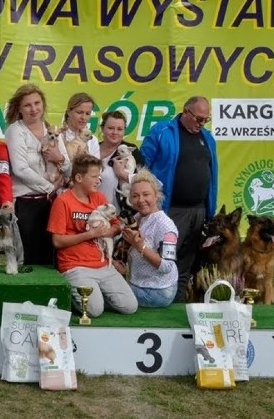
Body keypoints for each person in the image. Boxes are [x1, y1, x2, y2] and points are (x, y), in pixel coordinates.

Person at [140, 96, 218, 302]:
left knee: (187, 261)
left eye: (206, 119)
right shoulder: (162, 131)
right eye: (198, 119)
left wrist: (210, 209)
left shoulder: (208, 138)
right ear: (185, 112)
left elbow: (212, 174)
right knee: (166, 259)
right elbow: (142, 165)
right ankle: (157, 298)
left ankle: (178, 302)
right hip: (171, 208)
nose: (201, 124)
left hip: (198, 210)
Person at [47, 154, 138, 317]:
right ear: (79, 177)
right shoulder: (62, 201)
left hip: (103, 266)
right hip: (75, 267)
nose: (99, 181)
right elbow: (57, 241)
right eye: (94, 177)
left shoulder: (99, 198)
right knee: (94, 310)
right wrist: (91, 234)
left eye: (100, 177)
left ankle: (99, 293)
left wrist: (110, 231)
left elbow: (117, 224)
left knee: (130, 306)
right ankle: (77, 295)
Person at [4, 83, 70, 265]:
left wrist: (60, 159)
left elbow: (69, 169)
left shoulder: (52, 129)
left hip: (53, 204)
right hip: (26, 204)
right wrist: (49, 187)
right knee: (29, 259)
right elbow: (20, 169)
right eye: (28, 105)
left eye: (37, 103)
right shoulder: (15, 131)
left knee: (50, 259)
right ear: (19, 108)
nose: (34, 109)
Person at [118, 170, 179, 307]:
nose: (140, 200)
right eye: (135, 196)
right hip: (139, 283)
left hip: (159, 291)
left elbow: (166, 266)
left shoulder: (166, 226)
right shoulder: (138, 218)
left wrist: (139, 246)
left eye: (146, 195)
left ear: (156, 196)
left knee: (109, 294)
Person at [97, 110, 145, 209]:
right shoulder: (93, 148)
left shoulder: (131, 151)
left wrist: (123, 175)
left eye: (119, 129)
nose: (115, 132)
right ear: (102, 128)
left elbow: (145, 181)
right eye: (110, 128)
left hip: (120, 213)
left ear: (124, 131)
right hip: (92, 209)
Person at [61, 92, 100, 161]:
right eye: (79, 112)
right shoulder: (58, 136)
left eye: (88, 113)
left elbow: (97, 169)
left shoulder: (92, 140)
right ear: (69, 112)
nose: (83, 117)